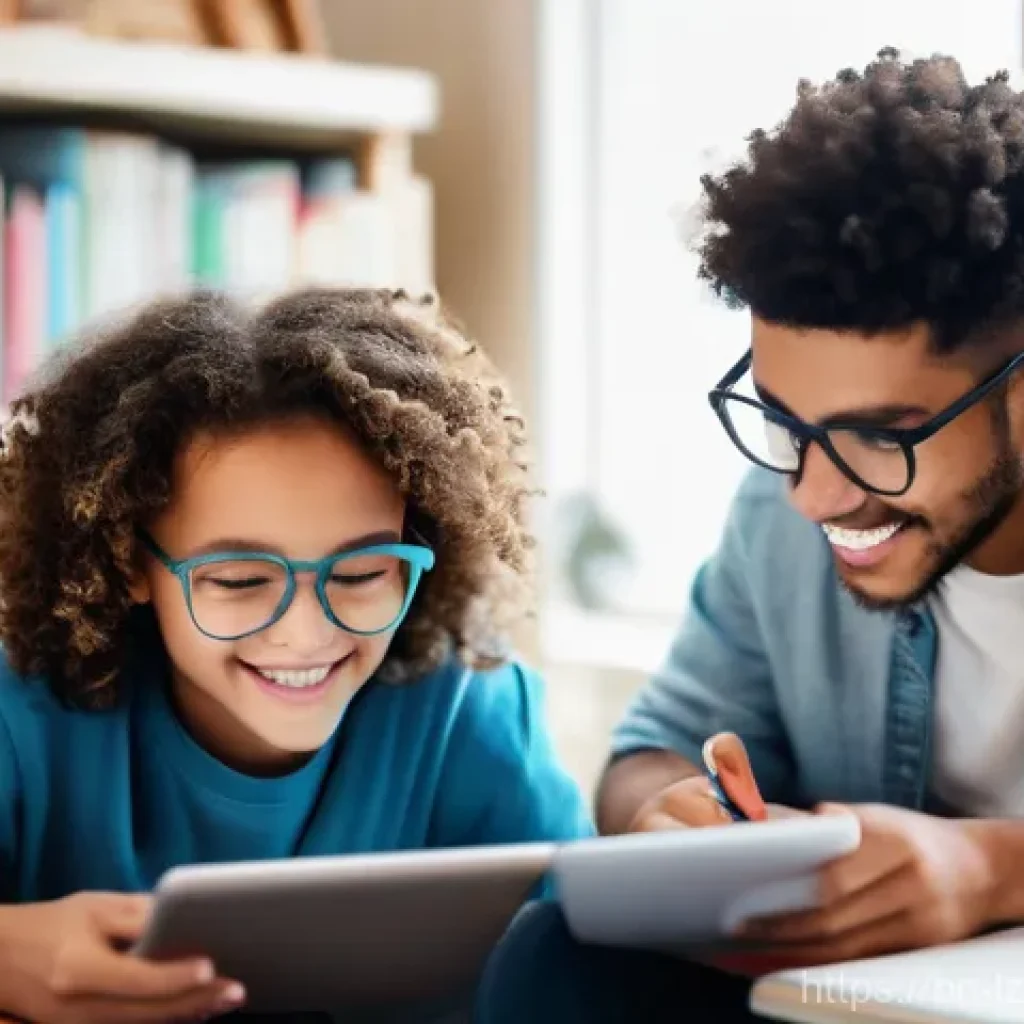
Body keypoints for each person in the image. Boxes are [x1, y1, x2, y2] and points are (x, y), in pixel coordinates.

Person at [477, 47, 1024, 1022]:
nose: (812, 495)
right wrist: (673, 814)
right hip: (858, 999)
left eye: (874, 436)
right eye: (784, 421)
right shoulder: (776, 515)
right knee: (555, 955)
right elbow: (650, 751)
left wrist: (992, 870)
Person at [0, 286, 592, 1023]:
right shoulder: (22, 713)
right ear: (128, 565)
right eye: (241, 580)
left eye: (361, 574)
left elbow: (587, 959)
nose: (307, 634)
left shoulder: (467, 706)